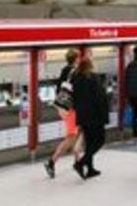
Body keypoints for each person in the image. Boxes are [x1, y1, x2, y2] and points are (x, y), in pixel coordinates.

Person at [44, 49, 83, 178]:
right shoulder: (73, 71)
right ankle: (52, 162)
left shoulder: (64, 71)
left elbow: (59, 91)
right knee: (71, 136)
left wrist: (60, 109)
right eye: (79, 57)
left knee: (76, 135)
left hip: (65, 108)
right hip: (72, 109)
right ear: (76, 58)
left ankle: (77, 162)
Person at [72, 57, 109, 180]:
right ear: (90, 66)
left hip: (82, 115)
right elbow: (99, 98)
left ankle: (90, 169)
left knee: (89, 142)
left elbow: (74, 98)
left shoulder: (76, 78)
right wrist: (103, 114)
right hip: (94, 115)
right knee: (99, 140)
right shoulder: (93, 78)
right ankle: (81, 163)